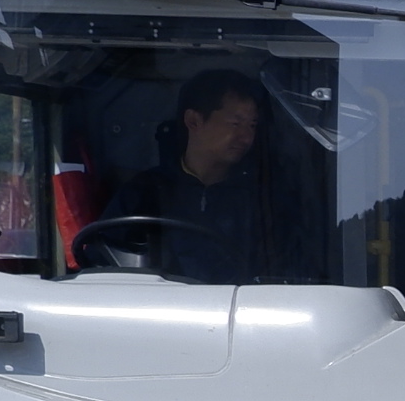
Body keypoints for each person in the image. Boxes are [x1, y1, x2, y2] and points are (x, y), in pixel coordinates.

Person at [107, 68, 298, 283]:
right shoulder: (142, 194)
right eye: (235, 123)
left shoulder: (264, 200)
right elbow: (105, 264)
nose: (246, 137)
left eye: (252, 125)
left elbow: (282, 275)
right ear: (194, 121)